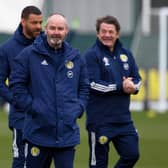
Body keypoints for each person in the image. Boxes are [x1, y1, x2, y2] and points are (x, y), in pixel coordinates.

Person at [10, 13, 89, 168]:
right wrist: (32, 107)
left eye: (60, 28)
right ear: (45, 29)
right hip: (37, 133)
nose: (56, 32)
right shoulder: (29, 54)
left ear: (66, 31)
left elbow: (84, 87)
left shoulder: (76, 57)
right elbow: (16, 84)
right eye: (52, 28)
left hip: (66, 135)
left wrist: (78, 108)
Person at [83, 15, 141, 168]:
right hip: (100, 121)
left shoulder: (126, 54)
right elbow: (93, 84)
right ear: (98, 33)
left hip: (123, 120)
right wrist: (121, 87)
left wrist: (133, 87)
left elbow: (137, 78)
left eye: (111, 32)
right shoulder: (91, 55)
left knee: (132, 154)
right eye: (103, 31)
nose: (107, 35)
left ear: (117, 34)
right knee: (98, 164)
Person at [0, 6, 43, 168]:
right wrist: (17, 101)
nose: (39, 26)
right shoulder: (7, 49)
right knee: (21, 162)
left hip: (46, 116)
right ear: (23, 21)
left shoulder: (46, 44)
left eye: (40, 22)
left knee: (41, 162)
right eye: (34, 23)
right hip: (21, 117)